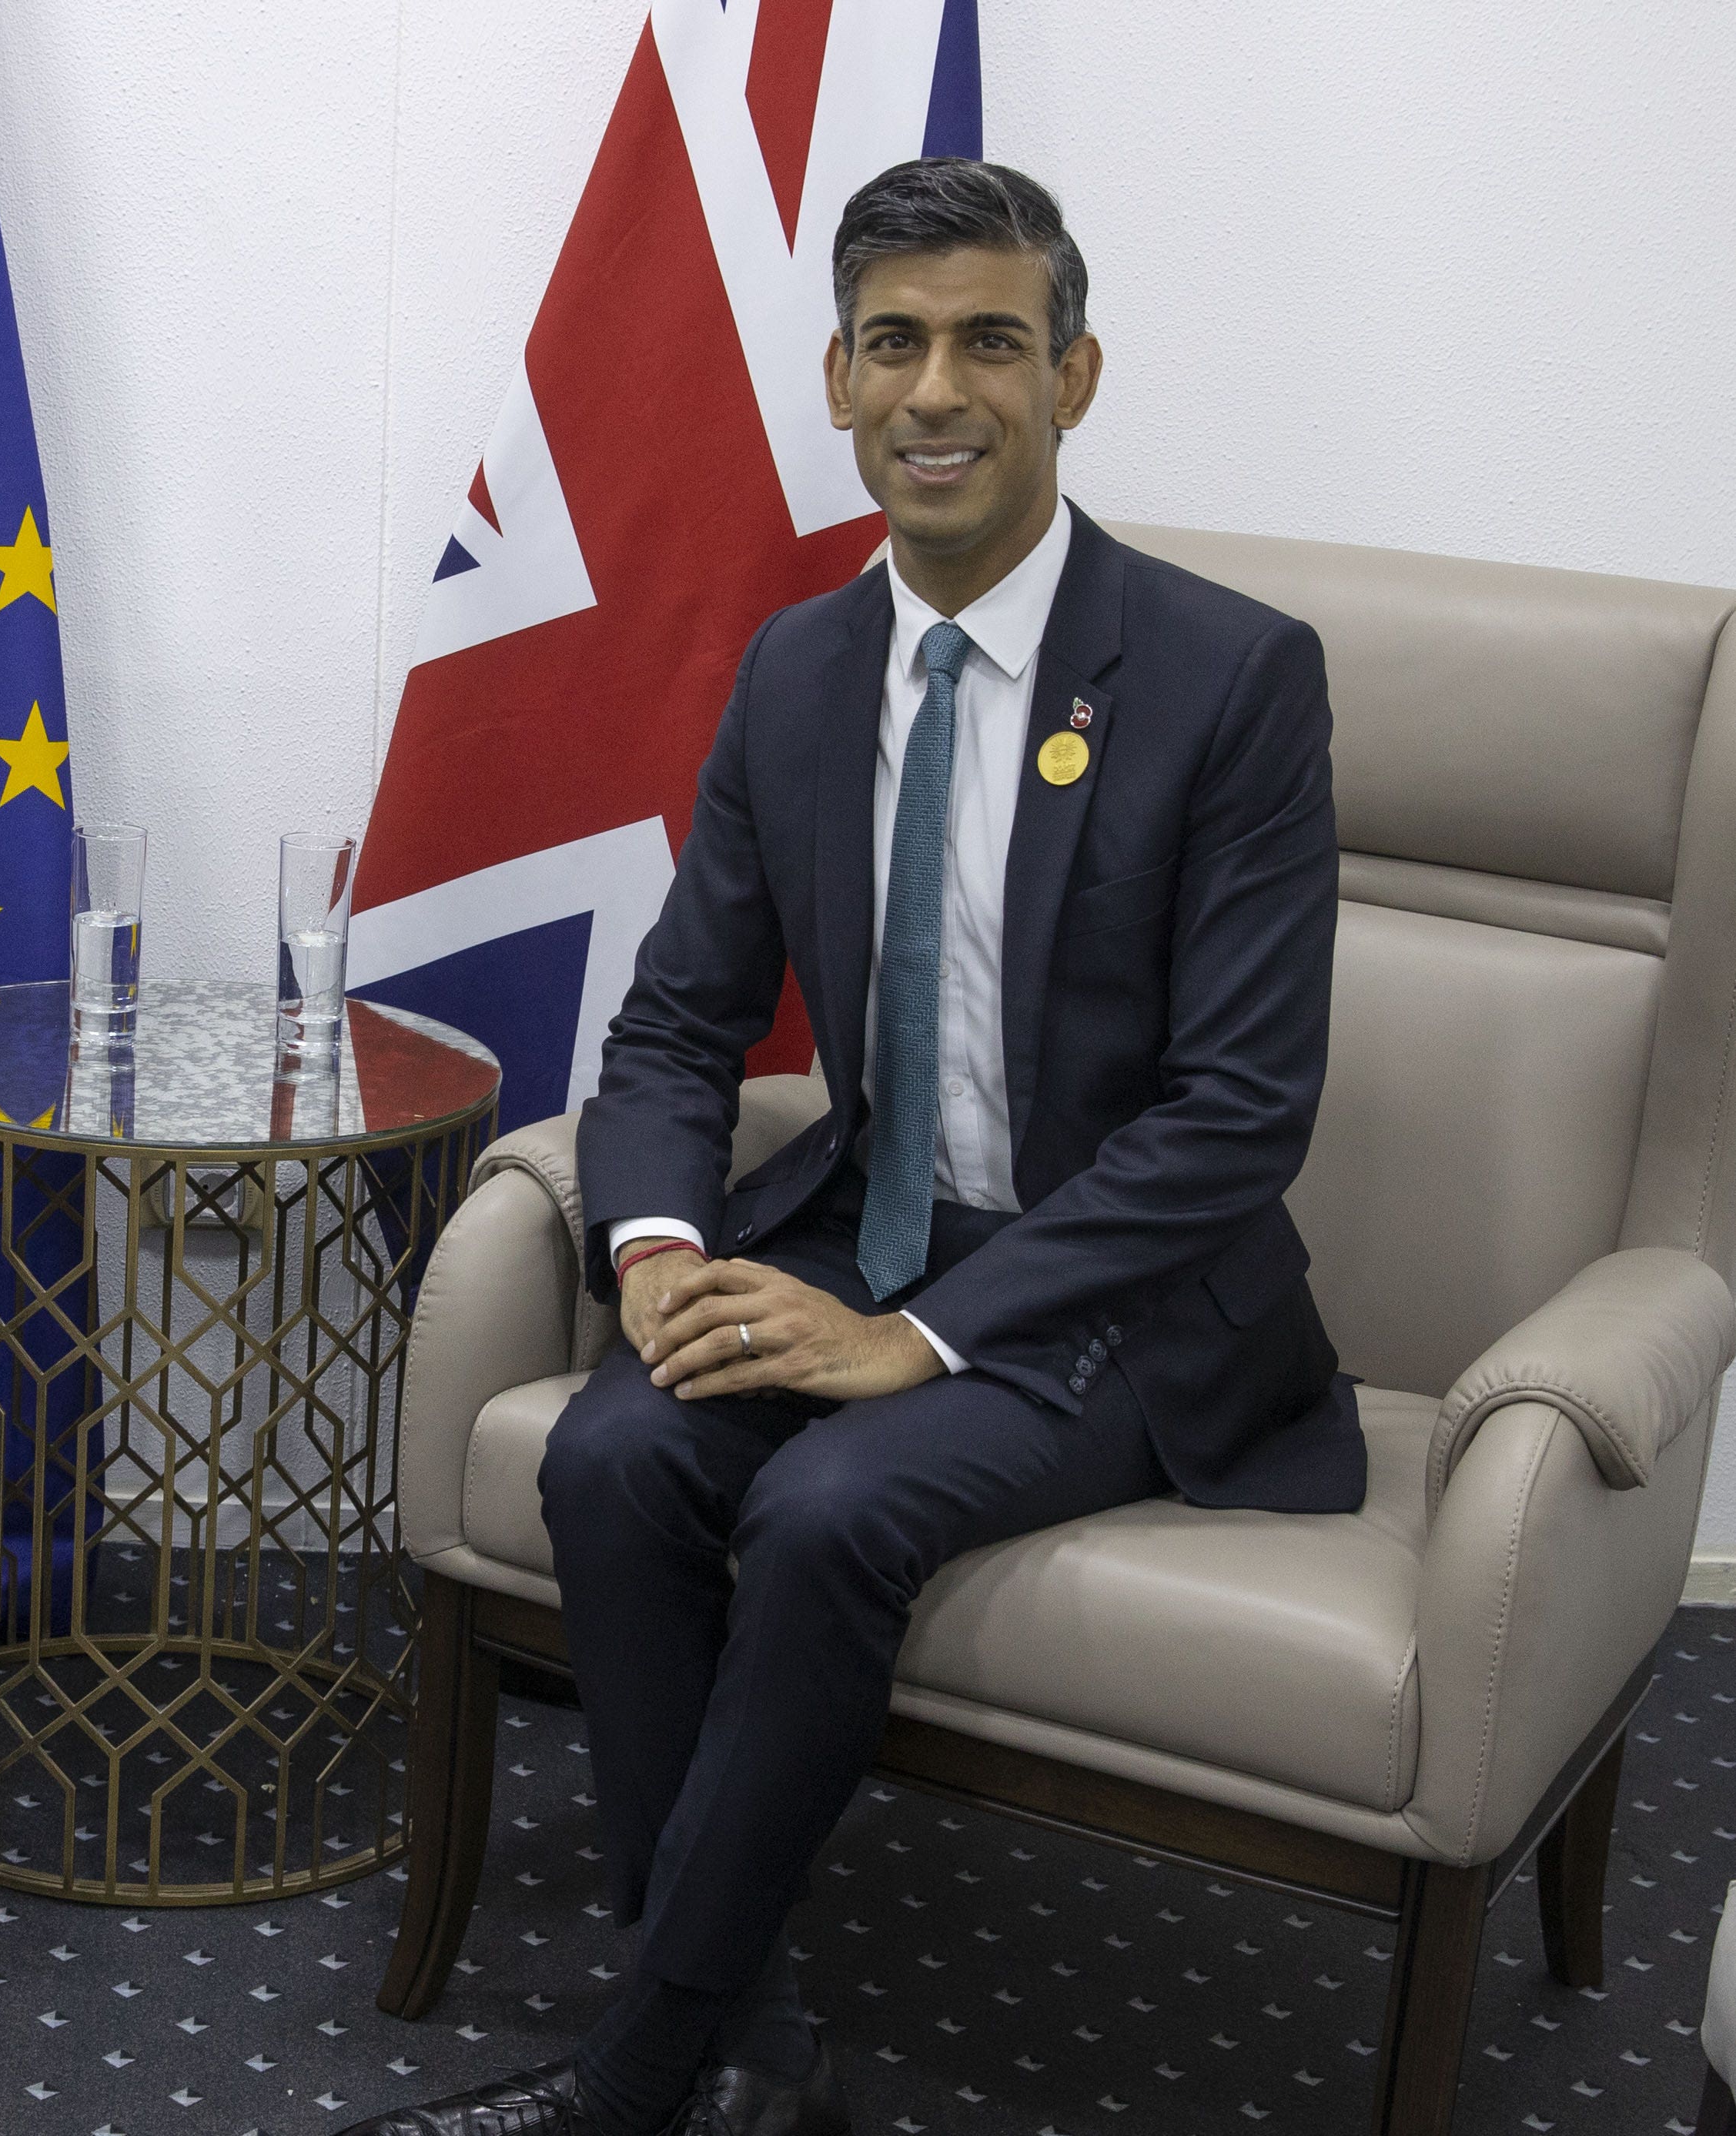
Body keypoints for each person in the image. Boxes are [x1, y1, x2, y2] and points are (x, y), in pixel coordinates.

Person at [340, 159, 1362, 2136]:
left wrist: (923, 1338)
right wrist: (645, 1246)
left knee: (824, 1508)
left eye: (991, 340)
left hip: (1120, 1292)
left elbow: (1237, 1110)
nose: (937, 388)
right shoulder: (801, 668)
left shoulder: (1233, 678)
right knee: (618, 1444)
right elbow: (672, 1022)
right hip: (863, 1225)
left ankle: (637, 2071)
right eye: (892, 342)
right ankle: (751, 2031)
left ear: (1073, 376)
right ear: (832, 377)